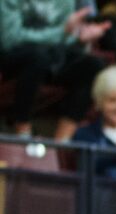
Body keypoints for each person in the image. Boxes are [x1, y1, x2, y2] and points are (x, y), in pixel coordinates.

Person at [0, 0, 109, 141]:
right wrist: (61, 33)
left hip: (53, 55)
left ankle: (62, 140)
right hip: (16, 56)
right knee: (38, 56)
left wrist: (79, 39)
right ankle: (22, 130)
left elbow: (65, 39)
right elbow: (10, 39)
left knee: (92, 65)